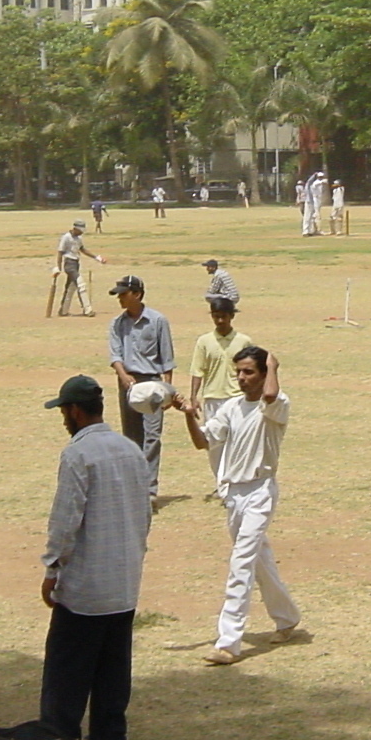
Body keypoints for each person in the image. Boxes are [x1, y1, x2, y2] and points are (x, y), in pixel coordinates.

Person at [39, 376, 152, 740]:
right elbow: (144, 512)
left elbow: (65, 518)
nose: (64, 420)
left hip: (86, 585)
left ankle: (59, 737)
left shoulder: (77, 454)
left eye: (64, 411)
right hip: (123, 579)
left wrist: (53, 567)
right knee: (114, 667)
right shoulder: (131, 450)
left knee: (67, 666)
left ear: (73, 410)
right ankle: (110, 738)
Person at [174, 346, 305, 664]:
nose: (242, 378)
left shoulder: (276, 404)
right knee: (259, 559)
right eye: (239, 372)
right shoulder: (232, 408)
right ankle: (287, 618)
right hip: (234, 495)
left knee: (241, 564)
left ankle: (228, 642)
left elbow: (271, 395)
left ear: (263, 373)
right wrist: (189, 414)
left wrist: (274, 366)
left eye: (249, 372)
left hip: (261, 492)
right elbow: (202, 441)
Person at [108, 275, 175, 499]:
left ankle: (149, 490)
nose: (120, 299)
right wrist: (123, 375)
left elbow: (167, 358)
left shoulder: (157, 321)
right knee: (131, 437)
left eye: (124, 294)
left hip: (153, 382)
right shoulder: (117, 323)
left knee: (152, 436)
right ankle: (134, 488)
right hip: (128, 383)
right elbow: (115, 353)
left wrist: (167, 389)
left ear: (137, 294)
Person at [189, 297, 253, 489]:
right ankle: (222, 484)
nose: (220, 321)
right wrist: (193, 397)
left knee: (237, 442)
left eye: (223, 316)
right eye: (216, 317)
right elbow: (198, 370)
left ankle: (235, 482)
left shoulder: (244, 341)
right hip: (213, 399)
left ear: (232, 316)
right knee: (214, 445)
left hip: (238, 398)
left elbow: (253, 370)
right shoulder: (204, 342)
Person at [55, 220, 104, 317]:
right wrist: (58, 267)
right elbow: (60, 252)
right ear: (75, 228)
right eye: (80, 230)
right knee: (81, 284)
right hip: (69, 264)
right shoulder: (66, 237)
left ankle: (63, 310)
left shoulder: (79, 238)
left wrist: (96, 257)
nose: (82, 232)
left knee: (71, 287)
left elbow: (82, 249)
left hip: (76, 263)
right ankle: (88, 310)